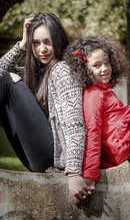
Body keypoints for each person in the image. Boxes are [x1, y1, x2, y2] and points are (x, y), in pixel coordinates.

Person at [0, 13, 94, 204]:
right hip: (37, 156)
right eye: (35, 43)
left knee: (9, 81)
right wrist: (22, 45)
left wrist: (74, 172)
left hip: (54, 159)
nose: (41, 49)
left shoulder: (63, 70)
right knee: (6, 79)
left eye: (47, 42)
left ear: (59, 41)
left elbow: (74, 123)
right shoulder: (36, 72)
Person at [63, 35, 130, 187]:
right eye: (96, 65)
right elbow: (92, 132)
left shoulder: (103, 91)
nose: (104, 69)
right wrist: (90, 174)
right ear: (84, 69)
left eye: (106, 63)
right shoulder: (93, 95)